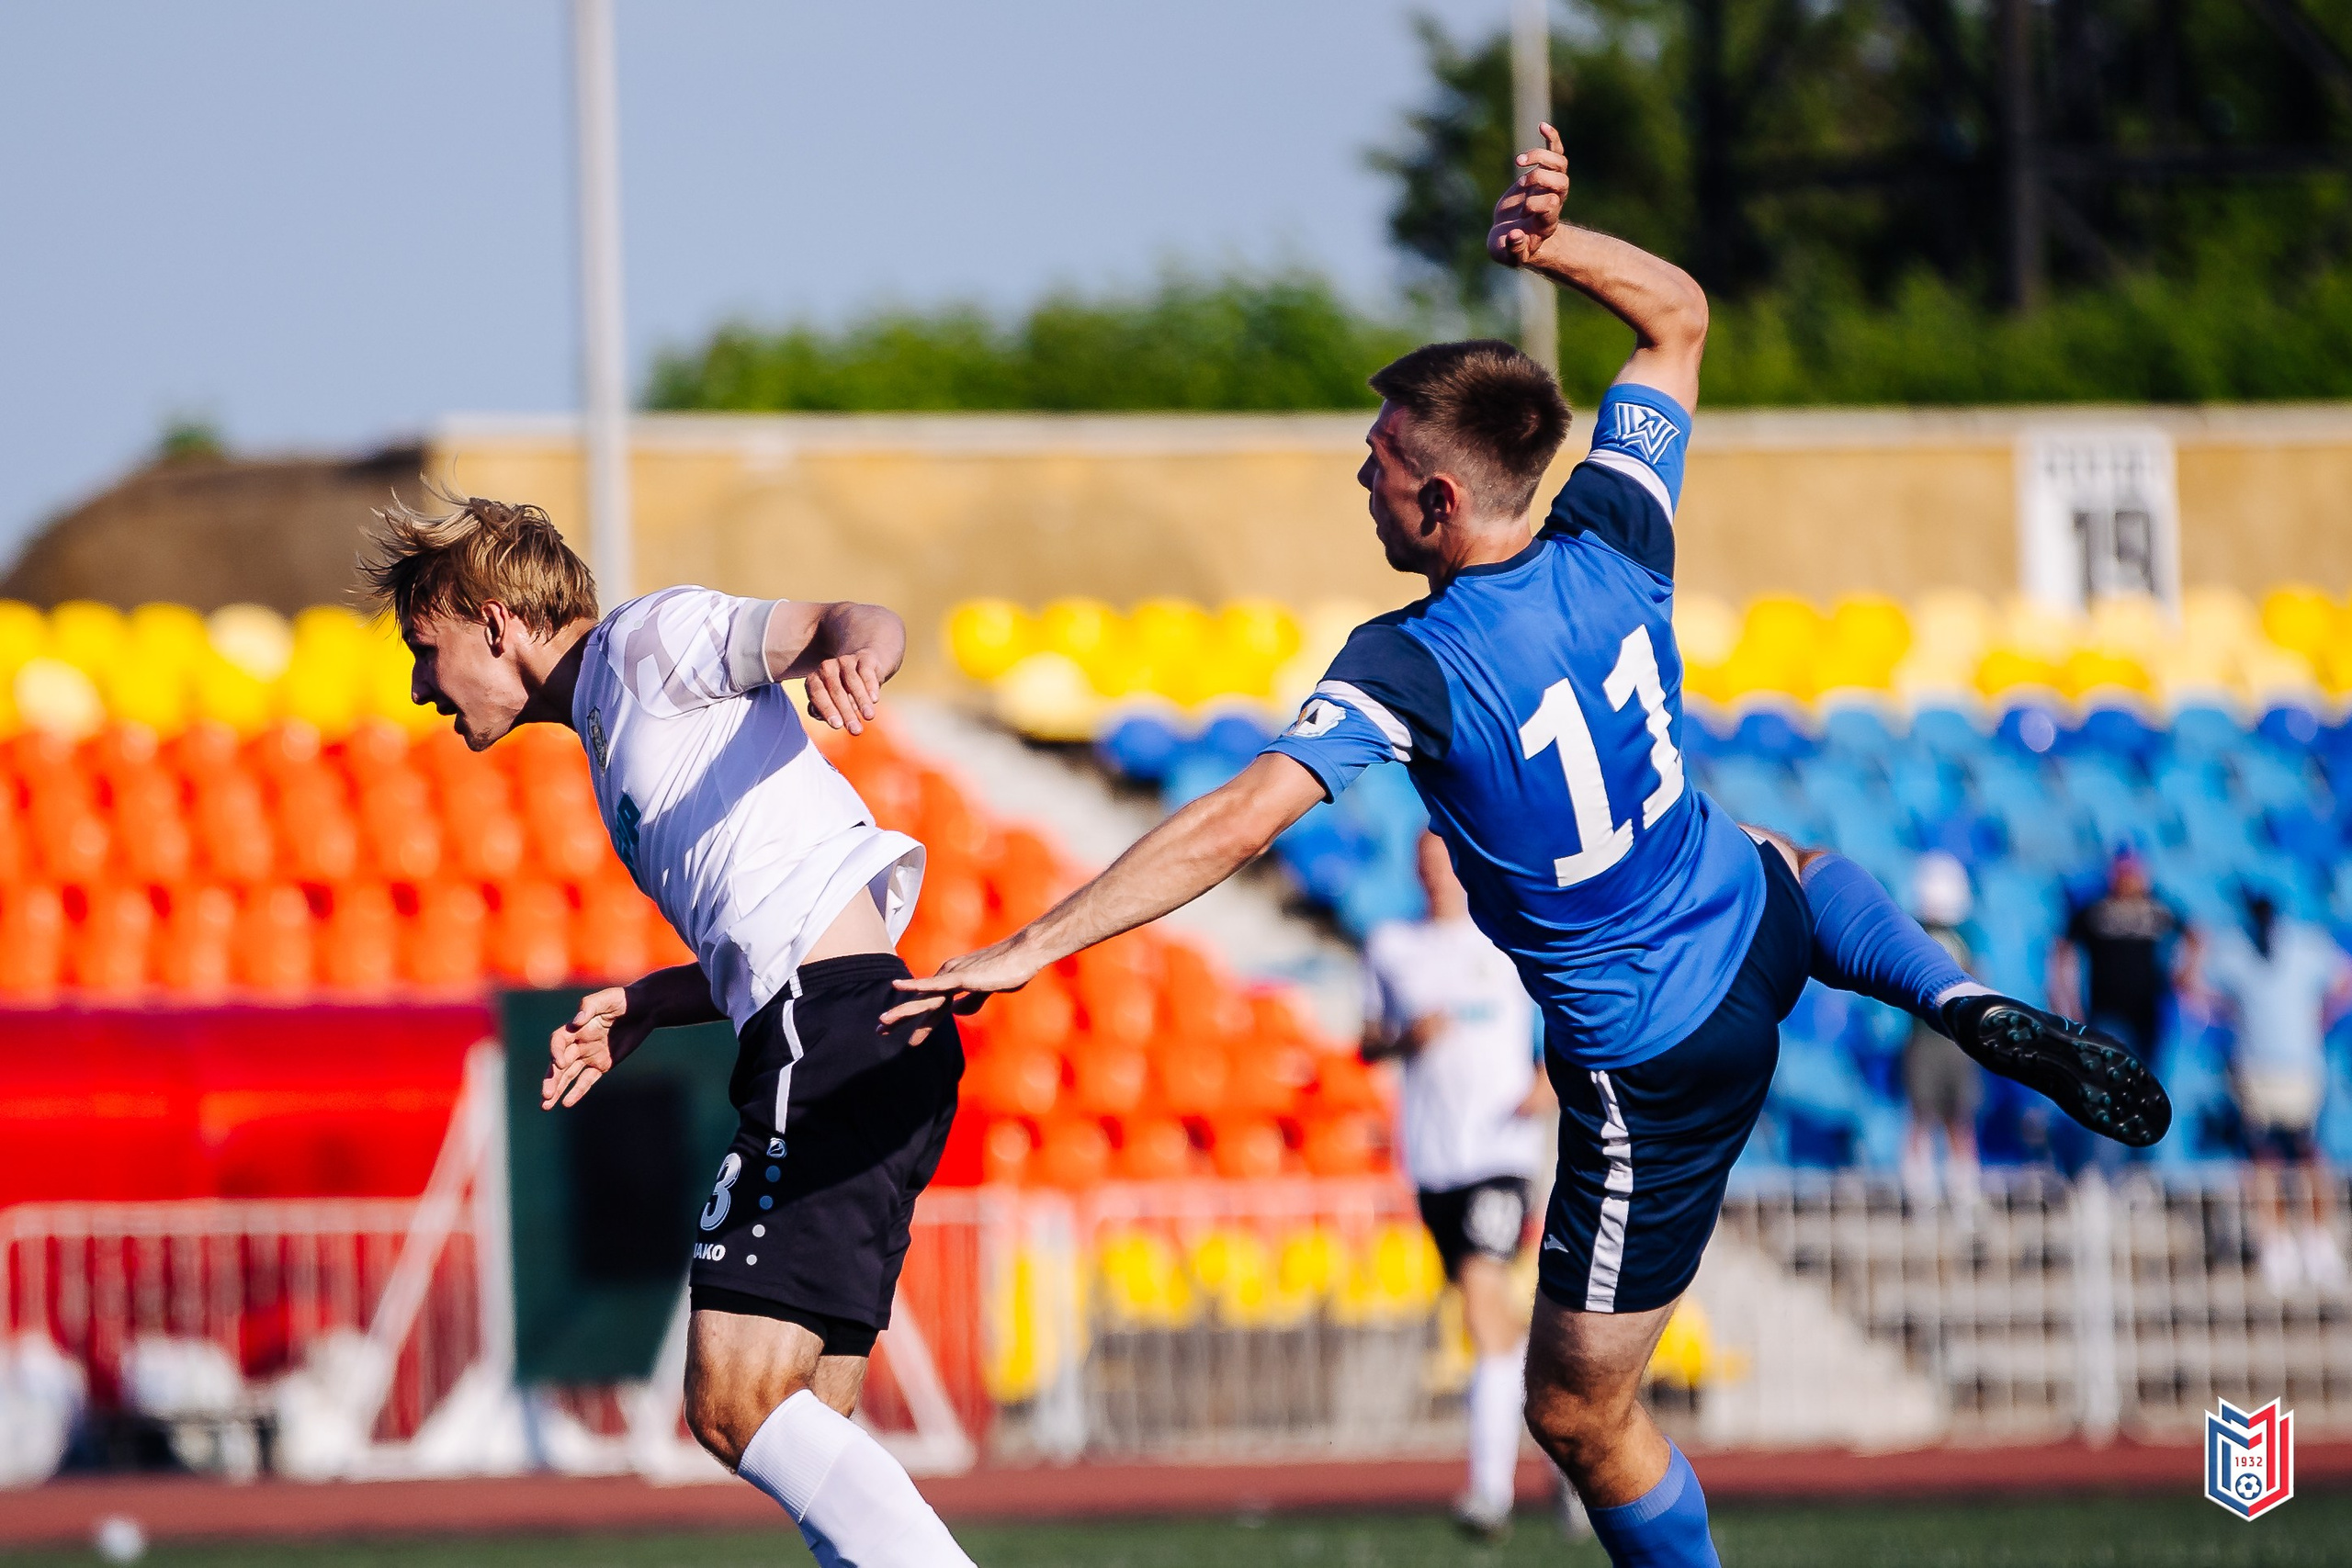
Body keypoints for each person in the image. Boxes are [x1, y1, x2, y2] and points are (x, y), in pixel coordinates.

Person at [886, 126, 2170, 1568]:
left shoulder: (1413, 657)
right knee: (1790, 859)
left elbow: (1244, 814)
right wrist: (1550, 248)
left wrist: (1033, 942)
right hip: (1755, 915)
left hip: (1652, 1058)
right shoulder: (1616, 527)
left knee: (1576, 1406)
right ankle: (1951, 991)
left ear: (1440, 501)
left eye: (1378, 464)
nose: (1359, 482)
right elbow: (1679, 314)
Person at [364, 491, 976, 1568]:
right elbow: (772, 911)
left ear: (497, 622)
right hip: (866, 1027)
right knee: (800, 1425)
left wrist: (853, 656)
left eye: (427, 646)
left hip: (828, 1037)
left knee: (733, 1405)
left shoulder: (647, 643)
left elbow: (852, 618)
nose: (418, 685)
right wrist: (653, 1001)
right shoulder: (612, 733)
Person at [1361, 832, 1552, 1540]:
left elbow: (1567, 1012)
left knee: (1481, 1302)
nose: (1439, 877)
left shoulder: (1508, 941)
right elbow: (1367, 1039)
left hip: (1500, 1150)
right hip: (1434, 1160)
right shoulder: (1391, 946)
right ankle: (1572, 1447)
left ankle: (1488, 1493)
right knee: (1495, 1317)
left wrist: (1549, 1080)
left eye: (1448, 863)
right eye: (1427, 866)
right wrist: (1408, 1036)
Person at [2193, 889, 2352, 1295]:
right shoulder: (2232, 951)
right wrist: (2225, 1012)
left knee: (2308, 1153)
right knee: (2263, 1157)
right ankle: (2275, 1240)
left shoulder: (2305, 944)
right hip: (2255, 1067)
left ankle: (2317, 1238)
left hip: (2300, 1067)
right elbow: (2194, 987)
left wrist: (2322, 1016)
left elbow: (2343, 978)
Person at [2050, 847, 2191, 1071]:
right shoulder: (2095, 909)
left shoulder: (2156, 907)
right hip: (2106, 1007)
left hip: (2148, 1007)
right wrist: (2065, 998)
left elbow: (2195, 936)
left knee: (2149, 1074)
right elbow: (2063, 950)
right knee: (2103, 1069)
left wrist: (2186, 974)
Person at [1902, 852, 1984, 1208]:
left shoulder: (1965, 934)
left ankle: (1962, 1190)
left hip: (1955, 1039)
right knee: (1922, 1114)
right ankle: (1920, 1191)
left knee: (1959, 1117)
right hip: (1925, 1036)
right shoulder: (1912, 931)